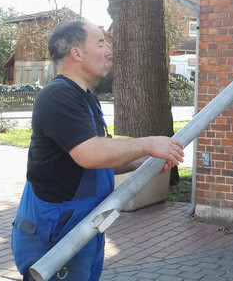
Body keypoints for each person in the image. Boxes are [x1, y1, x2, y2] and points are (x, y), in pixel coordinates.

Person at [11, 19, 185, 281]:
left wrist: (141, 162)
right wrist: (148, 143)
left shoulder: (86, 98)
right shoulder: (58, 96)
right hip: (55, 231)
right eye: (101, 44)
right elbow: (90, 154)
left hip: (83, 225)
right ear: (77, 53)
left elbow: (94, 161)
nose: (108, 52)